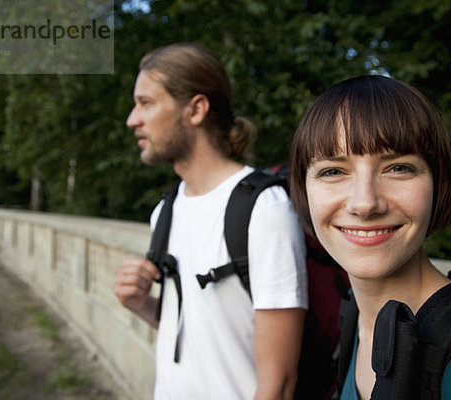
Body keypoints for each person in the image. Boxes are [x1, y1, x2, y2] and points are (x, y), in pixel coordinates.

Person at [288, 75, 451, 399]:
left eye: (398, 168)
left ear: (438, 184)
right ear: (303, 190)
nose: (365, 203)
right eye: (333, 171)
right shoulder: (360, 316)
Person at [114, 42, 308, 400]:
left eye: (146, 103)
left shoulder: (264, 209)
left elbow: (279, 382)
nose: (132, 119)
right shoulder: (167, 209)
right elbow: (204, 331)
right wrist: (141, 303)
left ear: (196, 109)